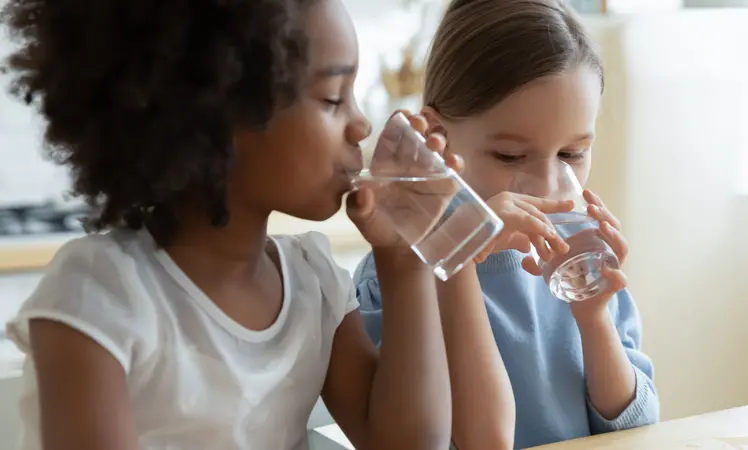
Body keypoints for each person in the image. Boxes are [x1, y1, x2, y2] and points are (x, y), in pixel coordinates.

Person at [0, 0, 465, 448]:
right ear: (215, 113)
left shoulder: (314, 284)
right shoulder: (101, 296)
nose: (362, 125)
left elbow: (408, 445)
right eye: (332, 98)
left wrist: (404, 258)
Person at [353, 0, 660, 448]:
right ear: (435, 139)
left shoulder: (578, 263)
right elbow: (475, 440)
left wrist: (594, 320)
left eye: (573, 154)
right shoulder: (398, 277)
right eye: (511, 156)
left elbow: (638, 429)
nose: (551, 186)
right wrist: (460, 243)